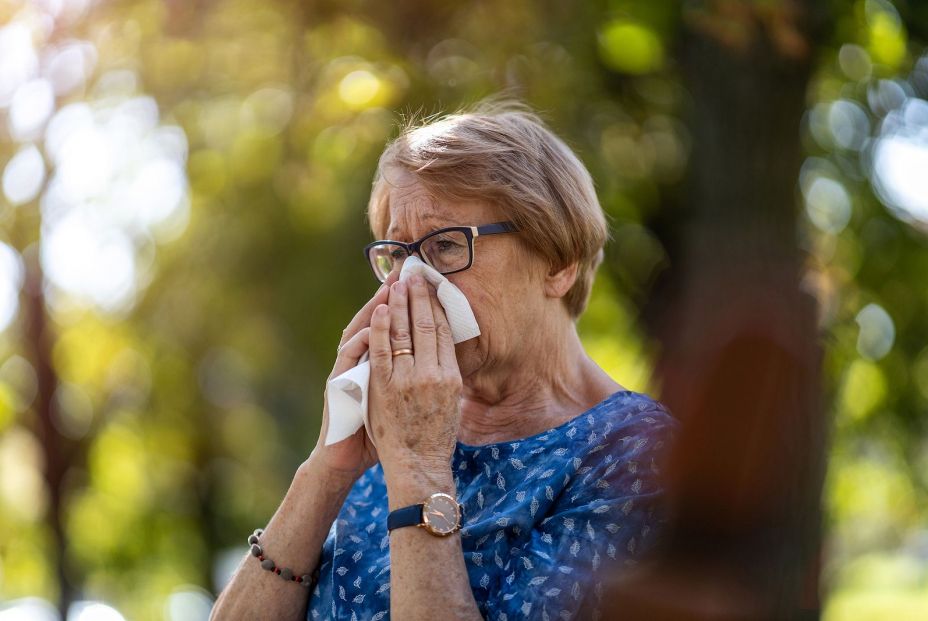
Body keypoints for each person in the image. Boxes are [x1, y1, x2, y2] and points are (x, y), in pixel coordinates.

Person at [211, 97, 677, 621]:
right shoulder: (382, 441)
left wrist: (417, 466)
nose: (411, 283)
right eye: (397, 255)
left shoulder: (636, 457)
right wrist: (327, 466)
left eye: (446, 246)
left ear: (558, 261)